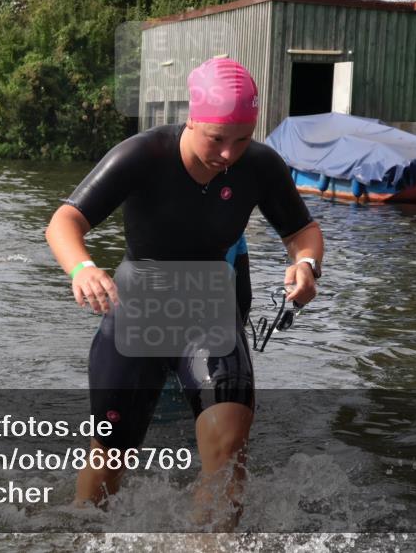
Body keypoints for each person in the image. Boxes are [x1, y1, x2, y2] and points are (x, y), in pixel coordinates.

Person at [45, 57, 324, 528]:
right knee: (111, 452)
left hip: (210, 303)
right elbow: (64, 221)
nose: (229, 154)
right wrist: (83, 268)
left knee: (230, 445)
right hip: (139, 302)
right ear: (192, 120)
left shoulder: (260, 165)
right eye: (217, 139)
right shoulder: (143, 154)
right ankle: (82, 533)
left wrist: (306, 264)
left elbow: (303, 230)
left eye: (242, 138)